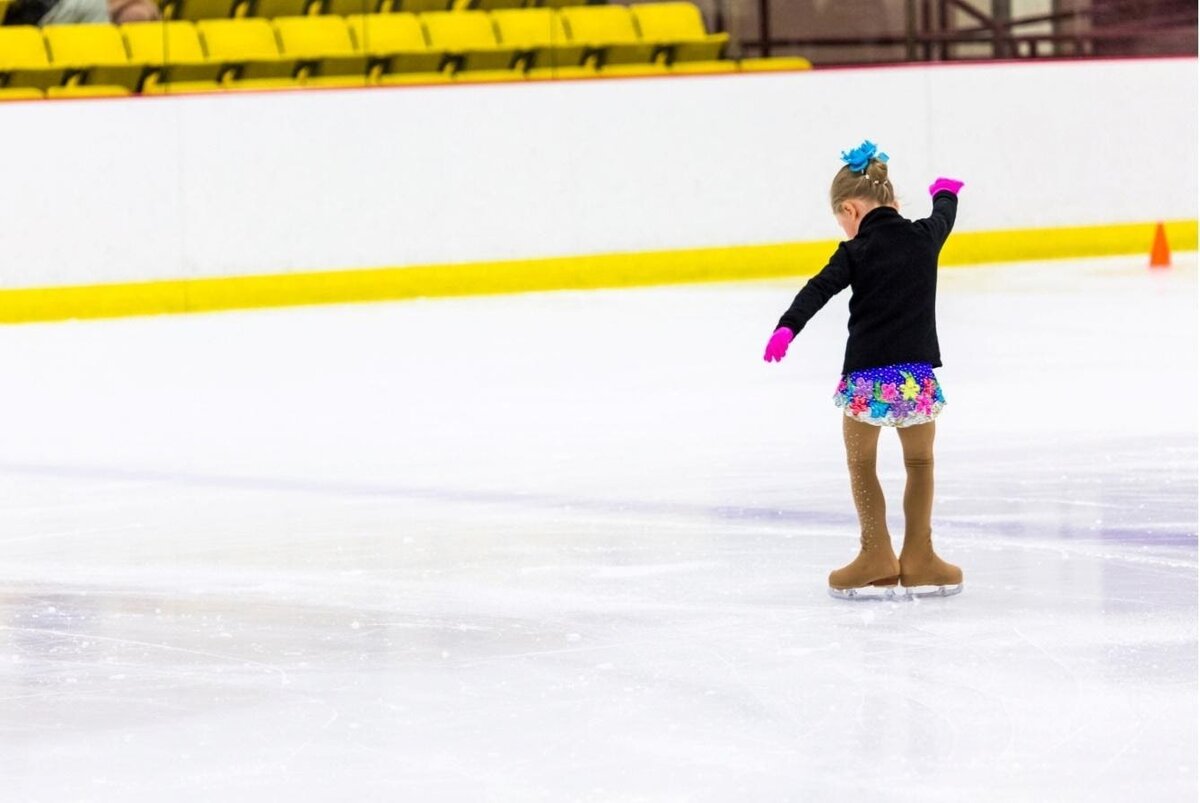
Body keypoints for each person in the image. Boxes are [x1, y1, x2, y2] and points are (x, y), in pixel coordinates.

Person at [763, 140, 965, 600]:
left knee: (861, 463)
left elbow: (818, 289)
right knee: (920, 462)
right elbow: (944, 217)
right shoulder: (923, 236)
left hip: (867, 380)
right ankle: (920, 558)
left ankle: (875, 554)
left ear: (851, 209)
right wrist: (946, 192)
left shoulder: (854, 252)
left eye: (841, 220)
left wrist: (786, 328)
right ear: (892, 202)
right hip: (914, 377)